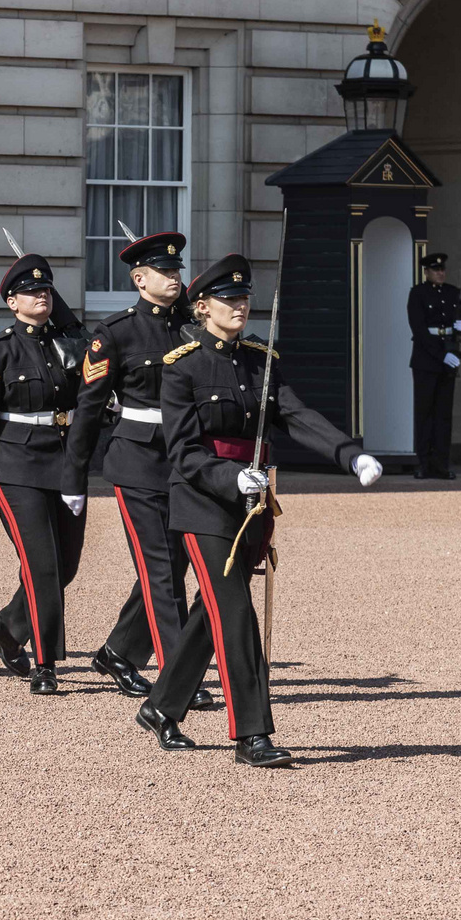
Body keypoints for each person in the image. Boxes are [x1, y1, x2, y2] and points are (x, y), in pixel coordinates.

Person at [135, 254, 383, 767]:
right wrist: (229, 475)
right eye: (228, 299)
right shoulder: (182, 367)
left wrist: (350, 453)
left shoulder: (260, 359)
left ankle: (161, 706)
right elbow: (183, 452)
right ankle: (252, 733)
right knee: (236, 614)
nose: (240, 305)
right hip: (203, 503)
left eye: (244, 297)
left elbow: (296, 415)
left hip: (253, 505)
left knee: (213, 612)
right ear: (202, 307)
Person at [66, 230, 213, 710]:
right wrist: (74, 477)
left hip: (187, 461)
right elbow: (88, 409)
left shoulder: (194, 328)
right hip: (138, 462)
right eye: (164, 272)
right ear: (139, 278)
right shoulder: (115, 333)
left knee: (175, 563)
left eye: (177, 271)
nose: (174, 278)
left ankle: (118, 652)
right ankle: (178, 678)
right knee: (161, 573)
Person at [0, 254, 87, 693]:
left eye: (47, 290)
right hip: (15, 467)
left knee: (66, 565)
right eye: (33, 292)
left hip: (64, 463)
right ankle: (46, 662)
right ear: (12, 303)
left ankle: (9, 625)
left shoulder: (69, 344)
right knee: (42, 566)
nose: (42, 296)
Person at [408, 251, 461, 480]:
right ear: (426, 272)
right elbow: (419, 330)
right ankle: (423, 463)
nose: (440, 273)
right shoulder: (418, 294)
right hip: (426, 360)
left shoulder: (452, 293)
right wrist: (440, 355)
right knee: (425, 413)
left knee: (443, 415)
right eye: (435, 270)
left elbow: (460, 319)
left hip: (448, 358)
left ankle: (441, 463)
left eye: (442, 269)